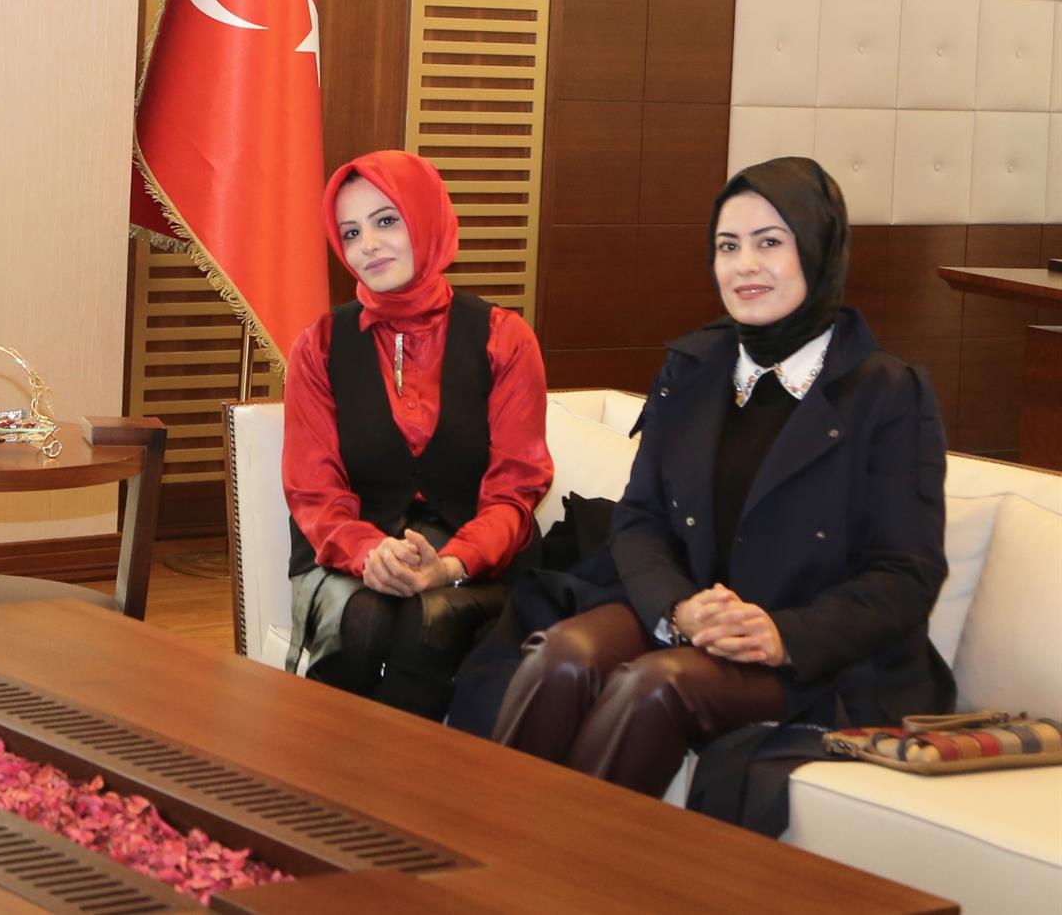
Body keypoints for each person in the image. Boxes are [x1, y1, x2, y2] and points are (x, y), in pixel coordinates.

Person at [489, 156, 952, 804]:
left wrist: (783, 634)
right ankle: (485, 847)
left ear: (818, 249)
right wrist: (677, 609)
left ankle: (566, 864)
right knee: (563, 656)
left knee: (654, 686)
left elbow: (908, 573)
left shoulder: (887, 393)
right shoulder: (693, 367)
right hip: (691, 614)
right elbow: (640, 519)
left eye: (770, 242)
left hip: (814, 655)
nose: (745, 266)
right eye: (728, 246)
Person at [281, 150, 554, 720]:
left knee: (428, 620)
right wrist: (369, 551)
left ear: (427, 218)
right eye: (351, 232)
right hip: (346, 550)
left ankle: (378, 771)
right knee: (364, 619)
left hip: (476, 556)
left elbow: (515, 490)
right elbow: (313, 490)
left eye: (387, 221)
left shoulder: (504, 338)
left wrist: (450, 564)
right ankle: (325, 759)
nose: (369, 246)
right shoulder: (320, 346)